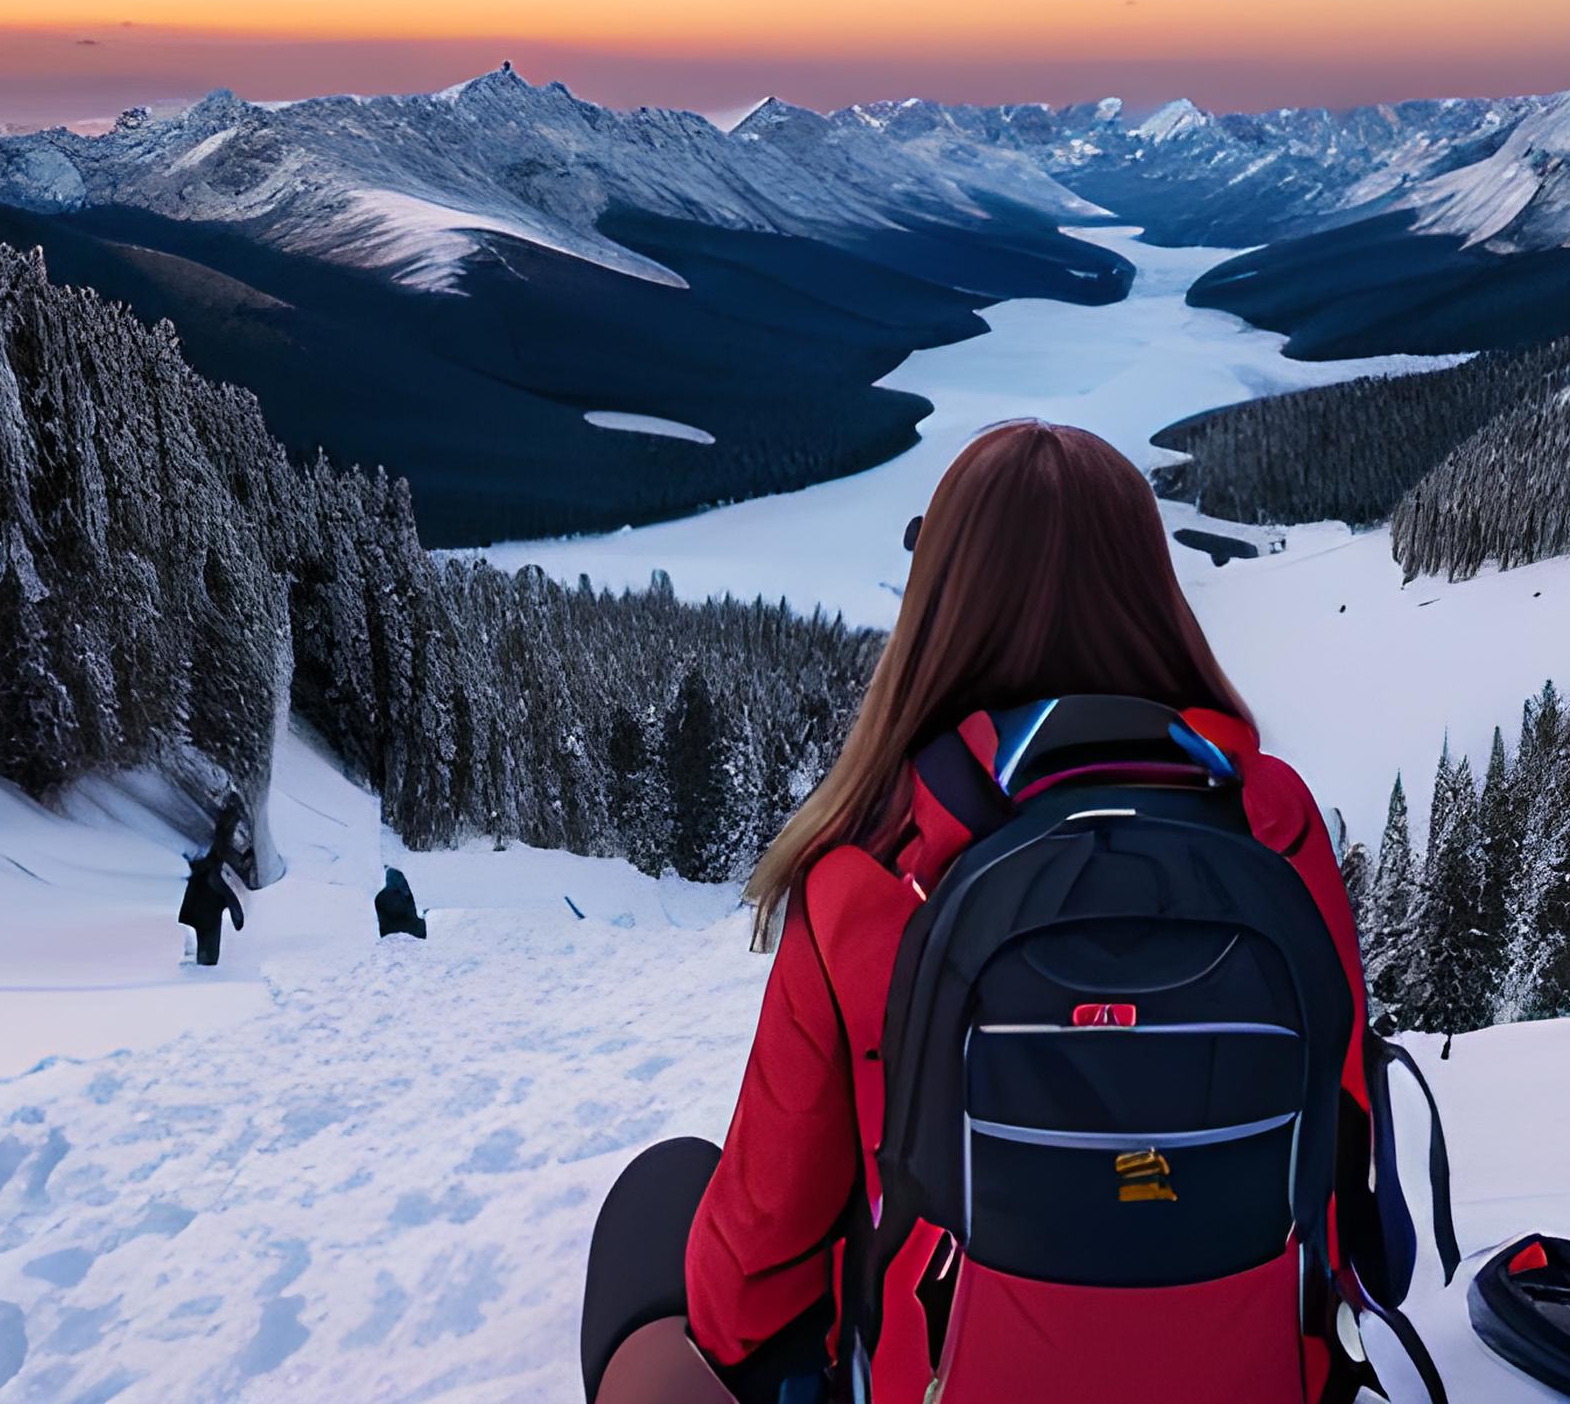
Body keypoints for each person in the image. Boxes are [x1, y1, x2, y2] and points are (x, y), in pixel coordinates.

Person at [577, 422, 1429, 1404]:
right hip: (1268, 1377)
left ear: (937, 601)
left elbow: (755, 1265)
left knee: (664, 1191)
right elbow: (1346, 1165)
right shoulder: (1272, 826)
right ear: (1149, 586)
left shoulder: (871, 866)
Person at [178, 803, 249, 967]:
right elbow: (229, 898)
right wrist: (237, 918)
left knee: (218, 851)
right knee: (218, 851)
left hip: (205, 880)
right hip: (204, 882)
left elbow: (228, 898)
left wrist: (238, 918)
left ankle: (231, 814)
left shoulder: (203, 924)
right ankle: (230, 815)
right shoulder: (199, 924)